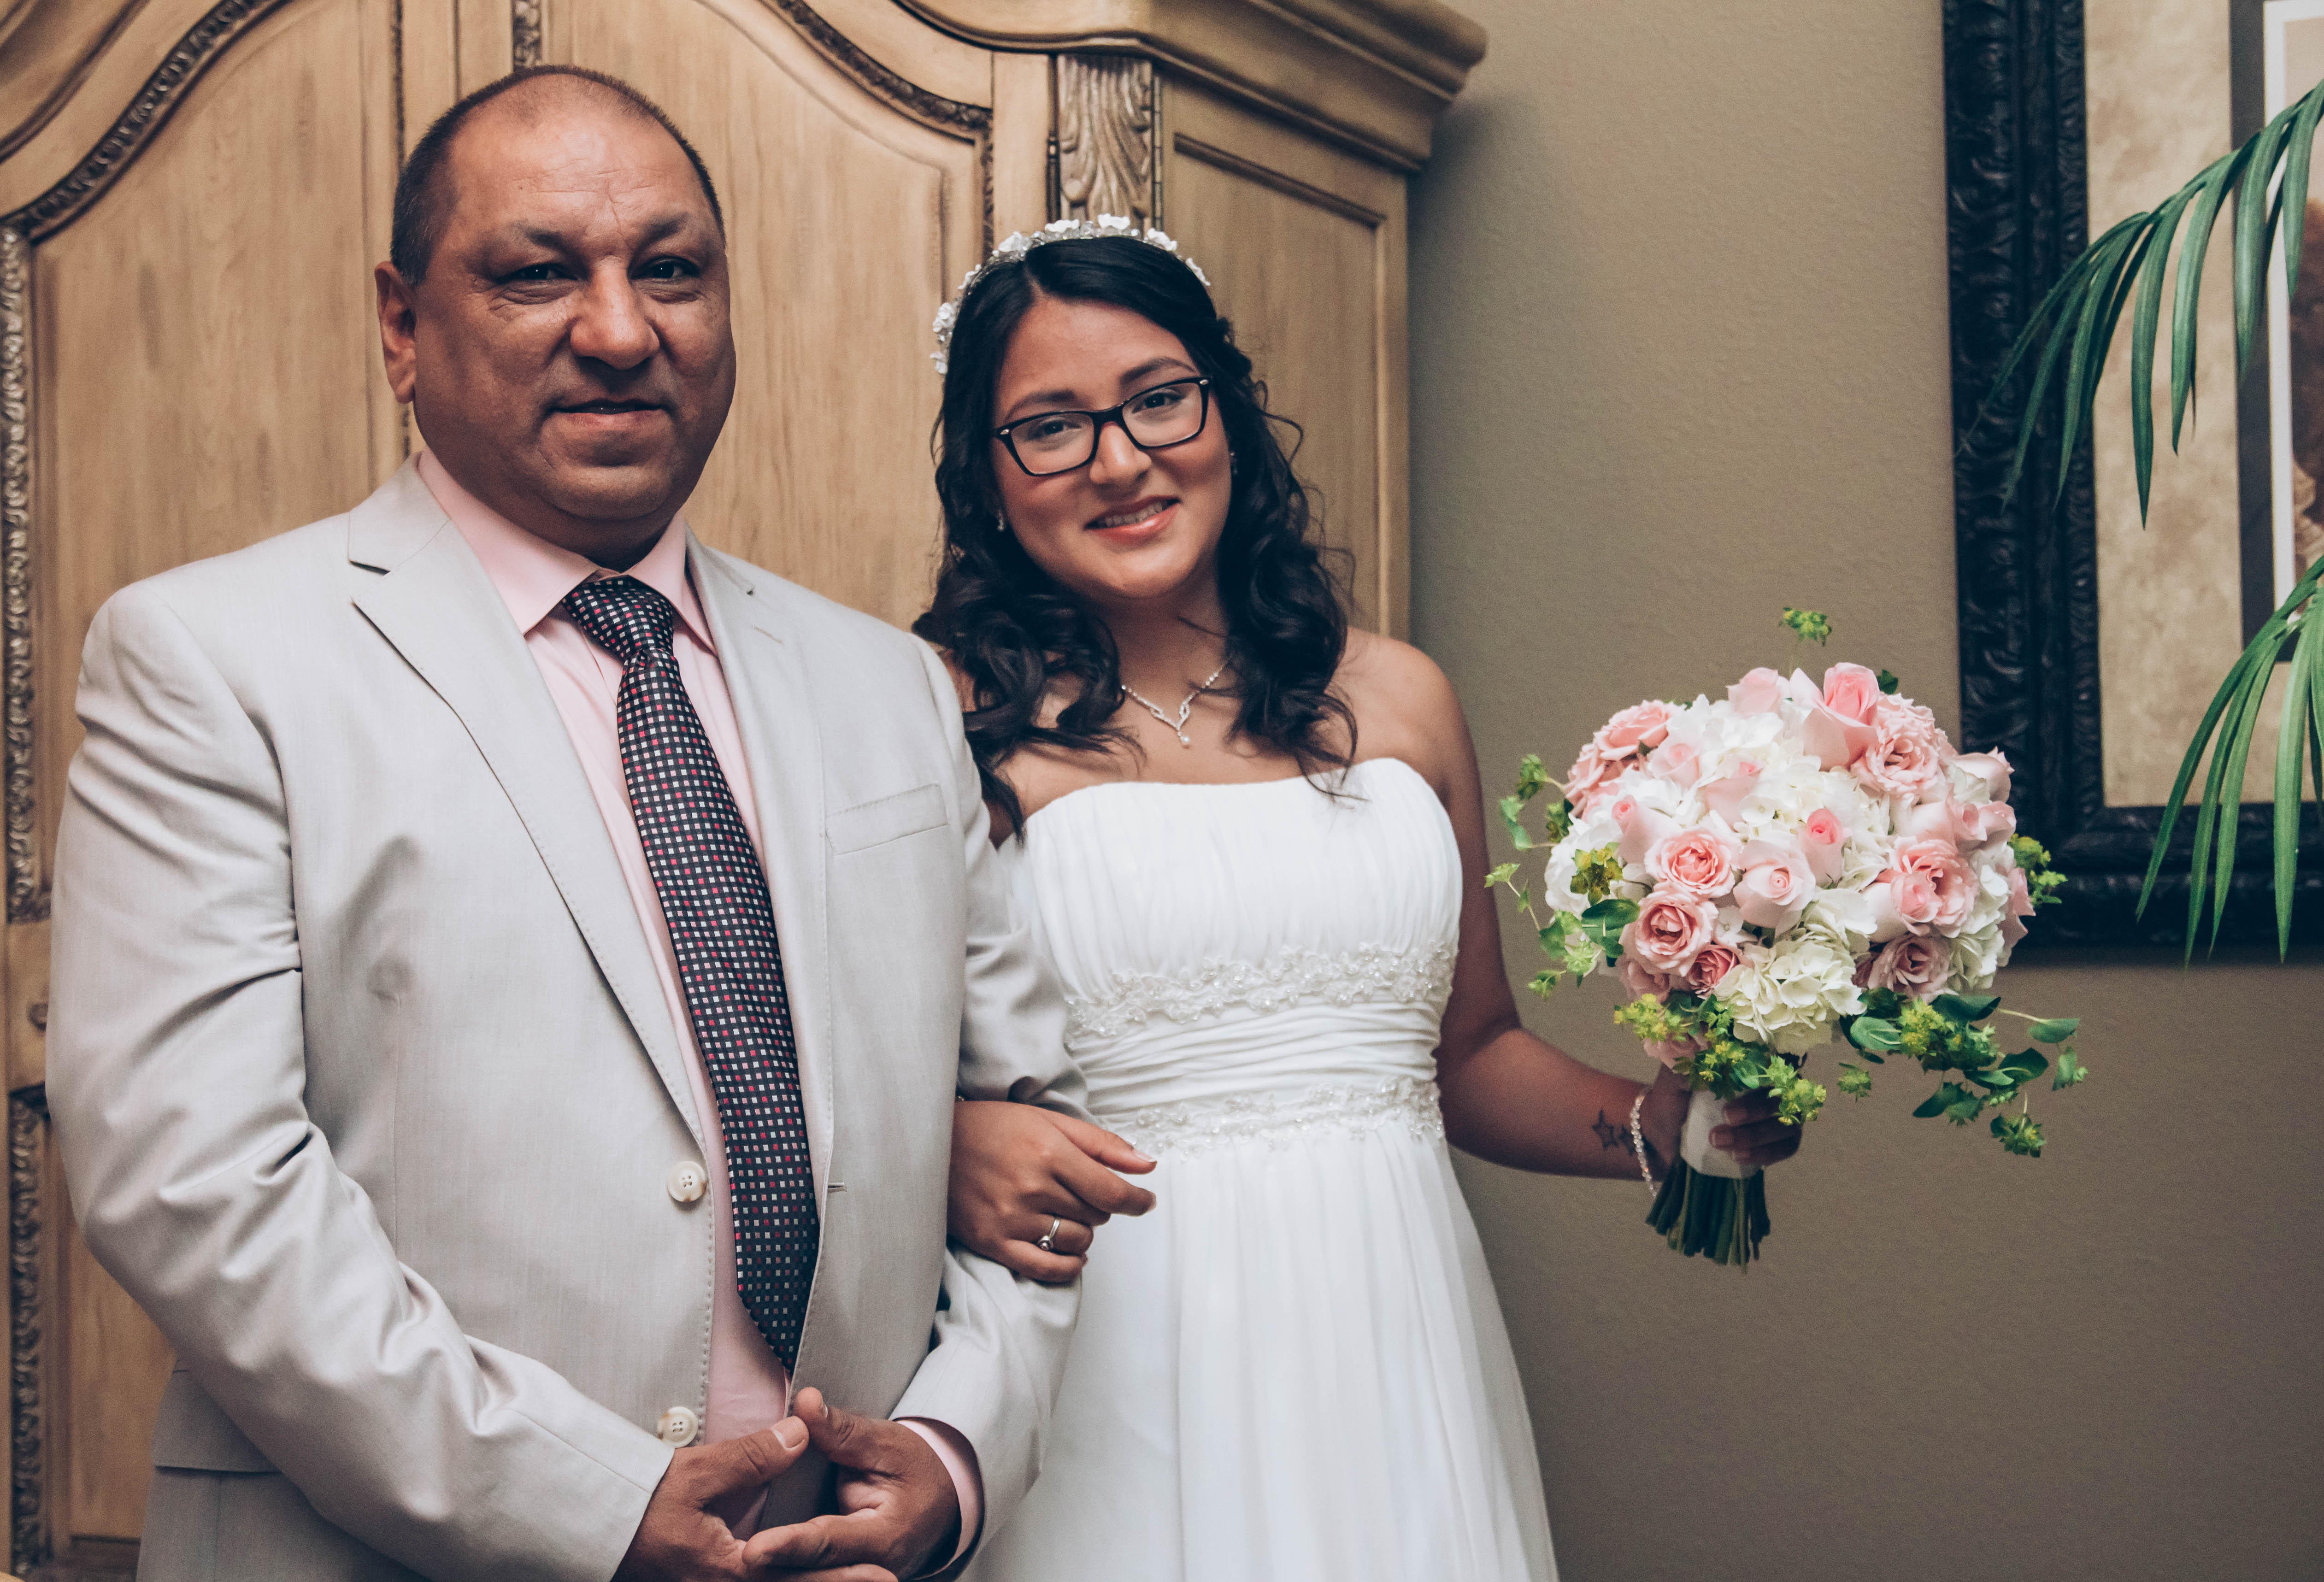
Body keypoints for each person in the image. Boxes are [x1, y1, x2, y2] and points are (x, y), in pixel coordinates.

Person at [47, 66, 1082, 1582]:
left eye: (671, 271)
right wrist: (586, 1504)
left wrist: (955, 1446)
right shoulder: (212, 662)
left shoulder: (889, 687)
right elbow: (194, 1182)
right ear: (401, 324)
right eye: (537, 274)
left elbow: (1033, 1131)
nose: (618, 330)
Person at [918, 223, 1806, 1579]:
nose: (1119, 459)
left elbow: (1468, 1055)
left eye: (1158, 398)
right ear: (986, 477)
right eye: (1049, 427)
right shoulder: (934, 719)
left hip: (1393, 1335)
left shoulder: (1397, 695)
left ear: (1227, 410)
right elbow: (820, 1083)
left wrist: (1664, 1127)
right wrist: (947, 1143)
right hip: (1109, 1341)